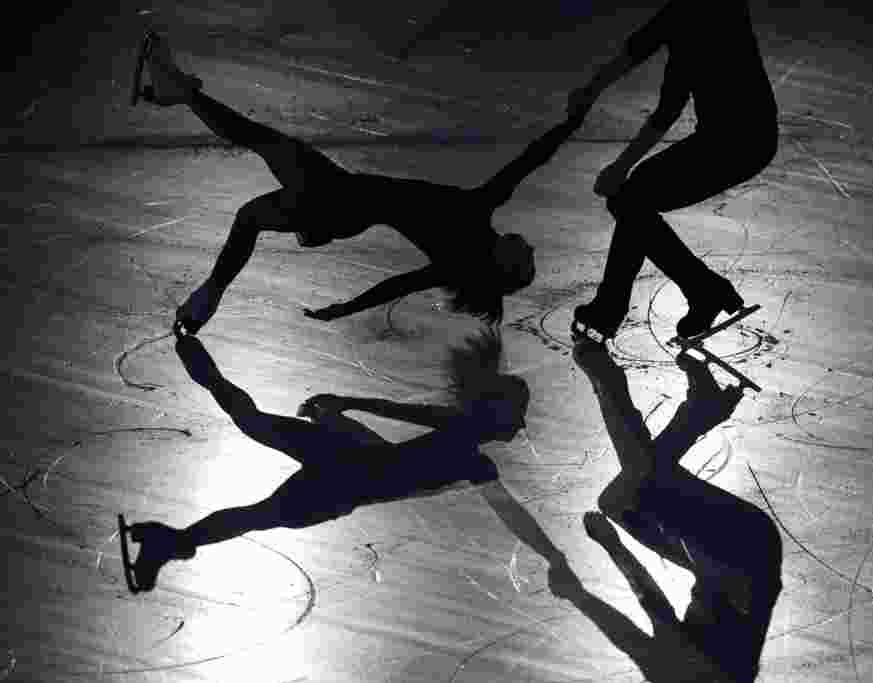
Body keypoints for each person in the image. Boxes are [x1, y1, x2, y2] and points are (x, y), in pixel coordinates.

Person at [136, 32, 584, 330]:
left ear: (501, 265)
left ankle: (180, 92)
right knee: (251, 209)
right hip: (342, 205)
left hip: (337, 200)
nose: (530, 248)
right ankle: (204, 302)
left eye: (525, 260)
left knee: (263, 144)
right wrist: (344, 309)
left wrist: (572, 124)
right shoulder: (465, 246)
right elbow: (397, 287)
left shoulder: (478, 213)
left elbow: (532, 159)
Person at [121, 325, 529, 592]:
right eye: (518, 417)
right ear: (497, 416)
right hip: (345, 482)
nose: (522, 427)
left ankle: (192, 351)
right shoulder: (475, 460)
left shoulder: (462, 433)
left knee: (251, 424)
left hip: (347, 453)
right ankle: (170, 541)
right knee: (255, 512)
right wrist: (552, 558)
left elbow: (395, 415)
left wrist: (342, 409)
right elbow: (517, 519)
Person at [550, 339, 782, 682]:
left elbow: (644, 612)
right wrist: (583, 590)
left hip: (739, 558)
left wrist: (608, 553)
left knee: (624, 496)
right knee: (639, 487)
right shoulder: (678, 676)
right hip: (741, 553)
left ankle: (699, 410)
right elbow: (642, 612)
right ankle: (610, 381)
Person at [567, 0, 778, 343]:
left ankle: (686, 292)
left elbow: (649, 80)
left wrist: (619, 165)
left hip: (734, 143)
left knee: (631, 197)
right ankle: (644, 300)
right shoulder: (693, 17)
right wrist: (590, 94)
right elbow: (643, 61)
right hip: (745, 141)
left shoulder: (694, 15)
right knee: (634, 198)